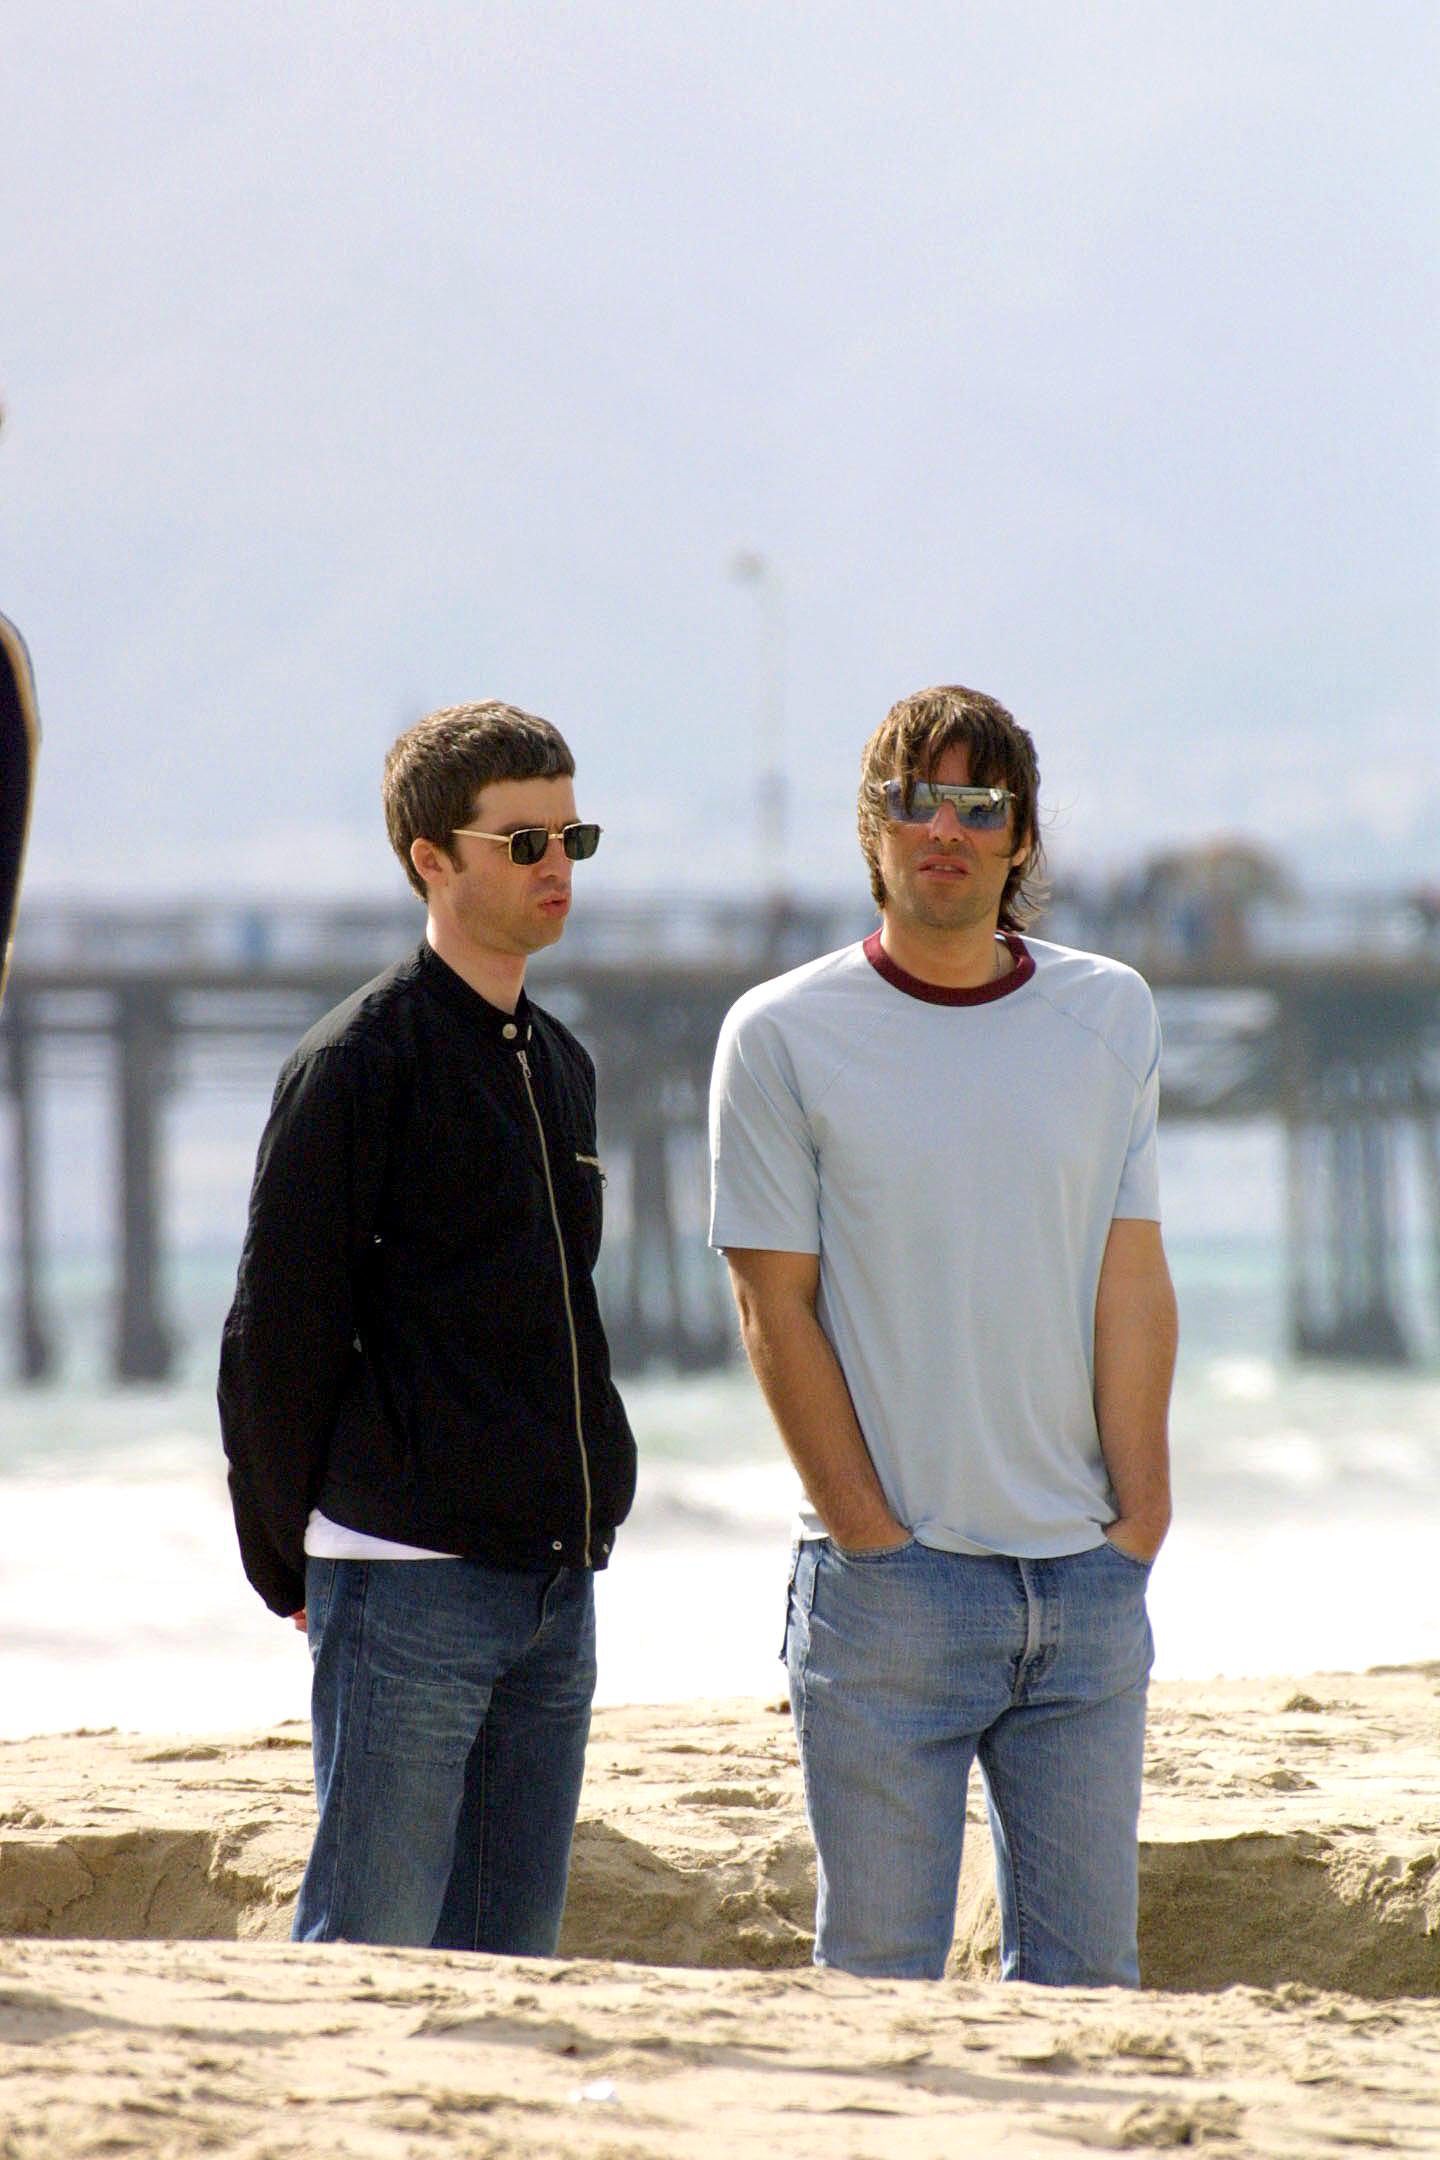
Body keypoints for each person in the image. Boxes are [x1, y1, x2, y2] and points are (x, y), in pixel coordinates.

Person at [708, 684, 1176, 1986]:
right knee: (875, 1980)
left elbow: (1129, 1271)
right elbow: (771, 1304)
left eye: (982, 805)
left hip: (1084, 1584)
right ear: (874, 828)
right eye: (919, 800)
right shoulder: (782, 1034)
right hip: (889, 1598)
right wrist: (870, 1535)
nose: (948, 830)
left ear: (1021, 838)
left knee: (1093, 1990)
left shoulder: (1111, 1014)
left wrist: (1140, 1516)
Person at [219, 700, 635, 1955]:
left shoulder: (559, 1062)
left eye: (573, 838)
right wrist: (284, 1560)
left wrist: (595, 1506)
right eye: (522, 843)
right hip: (402, 1583)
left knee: (513, 1960)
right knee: (368, 1947)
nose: (555, 866)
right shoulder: (357, 1062)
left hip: (555, 1582)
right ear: (431, 861)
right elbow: (276, 1339)